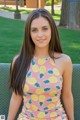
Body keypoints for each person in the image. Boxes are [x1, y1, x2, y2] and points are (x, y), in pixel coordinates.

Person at [7, 8, 74, 120]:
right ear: (29, 33)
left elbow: (67, 95)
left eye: (44, 29)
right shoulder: (19, 61)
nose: (40, 35)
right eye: (34, 30)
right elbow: (16, 96)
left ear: (52, 30)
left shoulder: (64, 61)